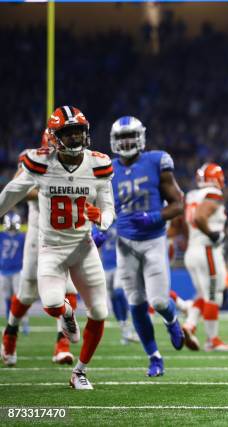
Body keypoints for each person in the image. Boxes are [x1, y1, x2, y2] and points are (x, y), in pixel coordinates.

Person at [0, 106, 115, 388]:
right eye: (69, 134)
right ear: (54, 138)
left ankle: (79, 371)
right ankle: (59, 317)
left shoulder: (98, 163)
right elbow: (11, 193)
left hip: (83, 247)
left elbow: (109, 210)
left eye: (79, 133)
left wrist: (102, 219)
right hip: (49, 245)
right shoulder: (40, 163)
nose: (76, 139)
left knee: (100, 311)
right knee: (49, 301)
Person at [110, 116, 185, 377]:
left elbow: (178, 203)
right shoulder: (107, 170)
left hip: (153, 240)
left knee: (159, 300)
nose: (127, 142)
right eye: (121, 138)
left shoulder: (156, 161)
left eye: (131, 136)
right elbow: (103, 209)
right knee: (136, 301)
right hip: (125, 243)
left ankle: (172, 319)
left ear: (140, 137)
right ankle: (154, 357)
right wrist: (98, 228)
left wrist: (155, 217)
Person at [181, 162, 228, 352]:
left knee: (203, 294)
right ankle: (212, 341)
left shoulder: (191, 195)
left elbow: (183, 223)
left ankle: (189, 326)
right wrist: (212, 234)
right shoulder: (212, 194)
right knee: (214, 294)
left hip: (192, 249)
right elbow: (199, 217)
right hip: (207, 250)